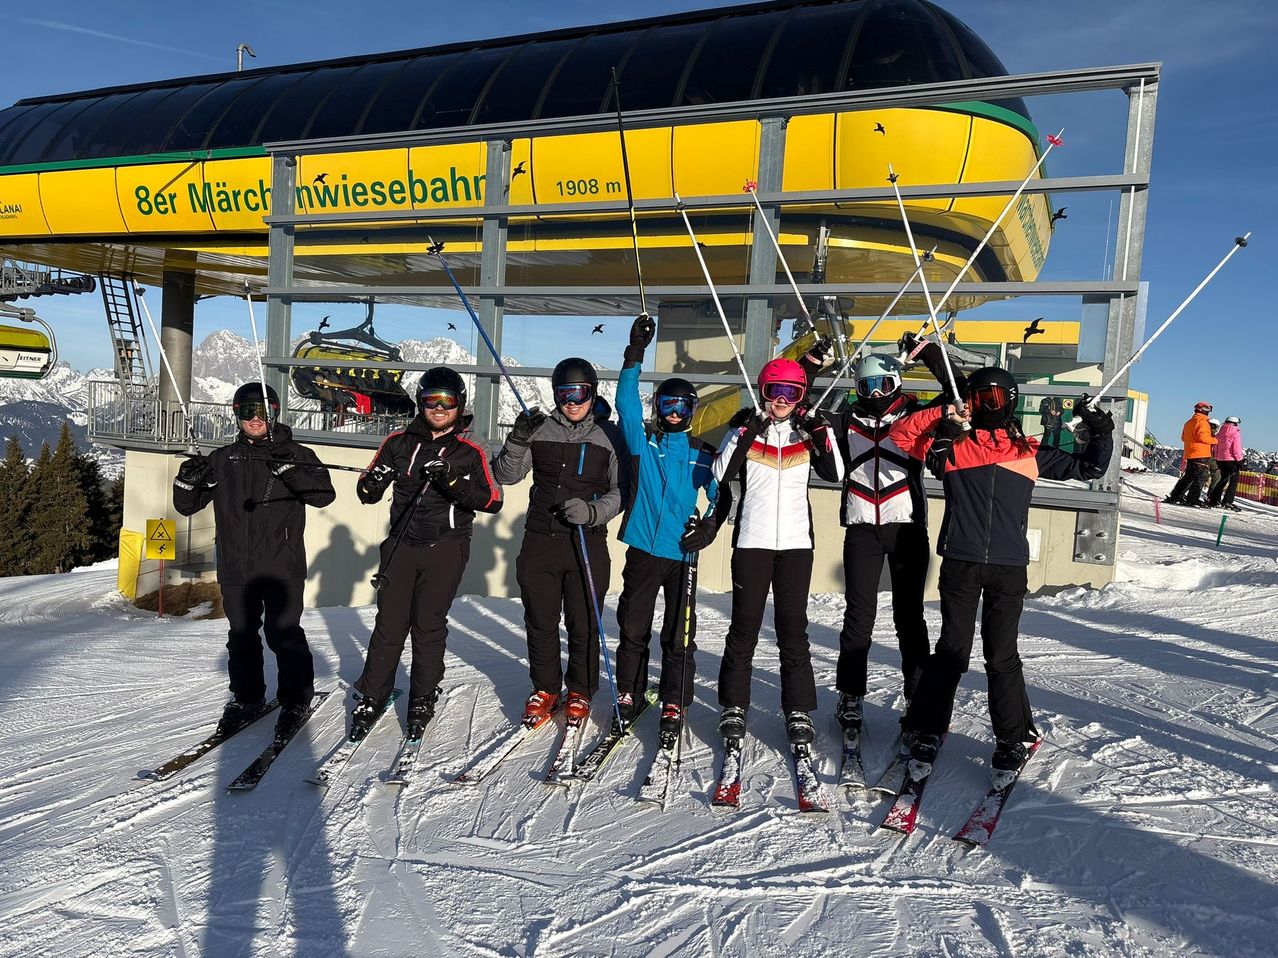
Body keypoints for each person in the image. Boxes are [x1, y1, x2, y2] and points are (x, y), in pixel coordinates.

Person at [889, 370, 1114, 774]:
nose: (990, 406)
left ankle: (1012, 737)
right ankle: (927, 727)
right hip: (962, 560)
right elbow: (901, 433)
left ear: (1009, 401)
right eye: (981, 398)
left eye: (996, 398)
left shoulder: (1027, 449)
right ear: (971, 402)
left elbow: (1091, 469)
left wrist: (1100, 429)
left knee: (1001, 654)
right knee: (953, 650)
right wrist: (944, 409)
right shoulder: (954, 445)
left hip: (1007, 567)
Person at [798, 331, 962, 741]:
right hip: (861, 529)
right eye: (867, 385)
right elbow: (798, 401)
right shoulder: (845, 419)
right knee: (858, 618)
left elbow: (958, 394)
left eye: (883, 384)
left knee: (909, 617)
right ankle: (851, 694)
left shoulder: (916, 415)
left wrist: (927, 353)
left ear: (896, 384)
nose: (875, 392)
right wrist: (815, 359)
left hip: (906, 526)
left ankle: (918, 693)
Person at [172, 382, 336, 740]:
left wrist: (288, 470)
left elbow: (324, 495)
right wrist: (186, 481)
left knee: (283, 633)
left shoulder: (296, 453)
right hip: (235, 565)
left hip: (282, 565)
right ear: (236, 415)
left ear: (275, 411)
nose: (255, 418)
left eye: (262, 410)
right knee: (242, 635)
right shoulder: (222, 459)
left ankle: (295, 699)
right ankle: (247, 698)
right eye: (247, 412)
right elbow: (186, 506)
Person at [348, 368, 503, 739]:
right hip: (401, 544)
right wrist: (376, 478)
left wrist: (453, 482)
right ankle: (373, 694)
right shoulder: (398, 442)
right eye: (432, 399)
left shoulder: (471, 447)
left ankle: (422, 694)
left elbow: (493, 500)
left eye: (447, 401)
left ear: (459, 405)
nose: (438, 407)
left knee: (427, 623)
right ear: (421, 401)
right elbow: (366, 492)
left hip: (445, 545)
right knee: (389, 623)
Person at [712, 357, 844, 747]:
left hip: (795, 545)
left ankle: (798, 708)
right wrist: (746, 433)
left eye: (792, 393)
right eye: (775, 391)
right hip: (752, 541)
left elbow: (835, 472)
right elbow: (719, 474)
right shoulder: (745, 428)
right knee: (744, 627)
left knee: (792, 629)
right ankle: (734, 705)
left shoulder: (805, 431)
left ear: (801, 396)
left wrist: (819, 431)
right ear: (762, 392)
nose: (782, 400)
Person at [611, 316, 731, 738]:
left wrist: (711, 527)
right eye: (667, 405)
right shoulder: (644, 446)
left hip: (683, 555)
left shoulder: (703, 454)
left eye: (682, 406)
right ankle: (629, 692)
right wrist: (634, 354)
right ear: (658, 409)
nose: (675, 413)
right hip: (644, 549)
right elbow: (625, 403)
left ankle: (676, 698)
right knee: (633, 627)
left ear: (692, 411)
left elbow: (723, 495)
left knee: (679, 634)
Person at [491, 357, 623, 725]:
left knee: (583, 621)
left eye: (579, 393)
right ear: (556, 394)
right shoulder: (540, 429)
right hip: (540, 539)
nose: (572, 401)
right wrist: (518, 439)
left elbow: (621, 490)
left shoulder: (609, 436)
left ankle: (580, 688)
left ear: (592, 393)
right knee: (541, 618)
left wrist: (594, 511)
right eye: (565, 392)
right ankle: (546, 686)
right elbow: (507, 475)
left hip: (586, 539)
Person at [1164, 401, 1216, 506]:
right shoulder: (1203, 423)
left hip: (1190, 453)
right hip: (1201, 453)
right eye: (1207, 409)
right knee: (1200, 477)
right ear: (1203, 410)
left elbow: (1183, 438)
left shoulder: (1188, 422)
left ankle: (1175, 496)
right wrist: (1215, 440)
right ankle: (1192, 499)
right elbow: (1203, 438)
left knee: (1188, 477)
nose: (1208, 412)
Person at [1208, 416, 1244, 511]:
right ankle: (1227, 501)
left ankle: (1213, 499)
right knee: (1233, 482)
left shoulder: (1220, 432)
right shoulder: (1235, 432)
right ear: (1235, 423)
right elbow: (1236, 448)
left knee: (1223, 479)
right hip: (1231, 460)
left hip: (1220, 459)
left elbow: (1215, 446)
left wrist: (1217, 457)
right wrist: (1239, 460)